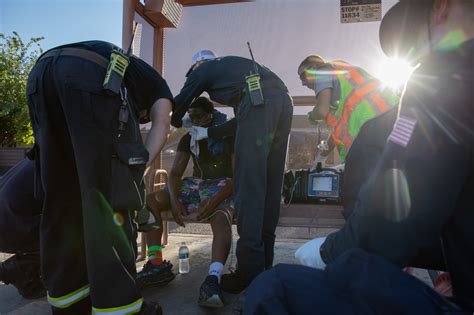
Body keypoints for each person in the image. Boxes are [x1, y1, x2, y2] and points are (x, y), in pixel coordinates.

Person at [245, 0, 474, 313]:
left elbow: (399, 201)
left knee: (276, 287)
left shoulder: (447, 74)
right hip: (389, 138)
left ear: (442, 7)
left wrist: (332, 251)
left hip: (381, 142)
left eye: (415, 44)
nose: (305, 83)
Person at [26, 40, 173, 314]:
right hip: (92, 77)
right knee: (109, 200)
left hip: (40, 75)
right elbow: (162, 124)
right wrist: (134, 169)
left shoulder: (129, 70)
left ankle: (68, 303)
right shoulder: (158, 86)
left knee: (61, 199)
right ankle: (119, 308)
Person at [171, 50, 293, 293]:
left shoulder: (203, 69)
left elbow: (176, 109)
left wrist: (180, 120)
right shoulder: (241, 71)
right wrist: (210, 132)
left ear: (196, 65)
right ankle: (263, 268)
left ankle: (249, 274)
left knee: (248, 189)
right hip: (283, 103)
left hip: (259, 103)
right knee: (268, 186)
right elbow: (242, 121)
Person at [139, 97, 235, 308]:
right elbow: (174, 175)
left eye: (200, 116)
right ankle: (156, 263)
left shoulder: (228, 135)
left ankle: (213, 279)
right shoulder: (189, 138)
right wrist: (173, 200)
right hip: (197, 185)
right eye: (192, 117)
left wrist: (214, 201)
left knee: (220, 216)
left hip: (225, 186)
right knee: (151, 201)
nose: (196, 120)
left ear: (211, 115)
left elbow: (238, 177)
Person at [298, 54, 399, 163]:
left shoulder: (323, 71)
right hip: (397, 123)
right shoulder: (343, 78)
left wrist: (312, 116)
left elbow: (321, 111)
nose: (303, 83)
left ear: (313, 68)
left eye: (303, 77)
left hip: (373, 134)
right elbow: (337, 132)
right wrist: (321, 156)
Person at [0, 159, 45, 299]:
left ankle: (26, 268)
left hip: (8, 221)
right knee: (76, 231)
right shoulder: (68, 159)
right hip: (9, 226)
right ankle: (21, 268)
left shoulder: (45, 151)